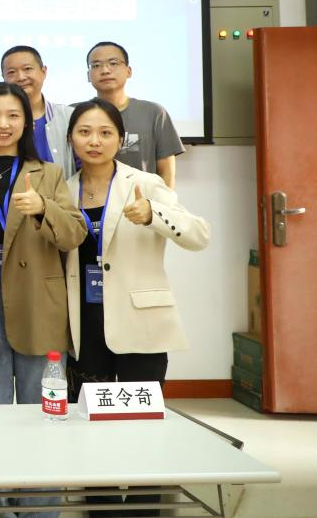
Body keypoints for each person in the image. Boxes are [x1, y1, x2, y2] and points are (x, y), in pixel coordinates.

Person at [65, 98, 210, 516]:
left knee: (142, 420)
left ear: (121, 139)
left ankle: (145, 506)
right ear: (71, 138)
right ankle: (102, 504)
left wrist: (154, 214)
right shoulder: (64, 188)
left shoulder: (144, 183)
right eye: (84, 132)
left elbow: (199, 235)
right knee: (91, 420)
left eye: (105, 133)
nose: (94, 141)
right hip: (85, 322)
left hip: (140, 319)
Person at [0, 81, 83, 408]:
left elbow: (74, 234)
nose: (3, 124)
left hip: (38, 293)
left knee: (39, 402)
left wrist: (43, 208)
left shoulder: (50, 174)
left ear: (27, 122)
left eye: (13, 115)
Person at [86, 41, 184, 188]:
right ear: (88, 75)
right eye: (96, 65)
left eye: (113, 63)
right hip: (88, 199)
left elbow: (167, 174)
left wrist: (159, 202)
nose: (105, 70)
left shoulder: (154, 113)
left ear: (129, 71)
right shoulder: (75, 114)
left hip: (142, 200)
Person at [0, 45, 75, 178]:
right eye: (11, 72)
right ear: (3, 78)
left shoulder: (69, 116)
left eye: (27, 69)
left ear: (43, 71)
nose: (21, 77)